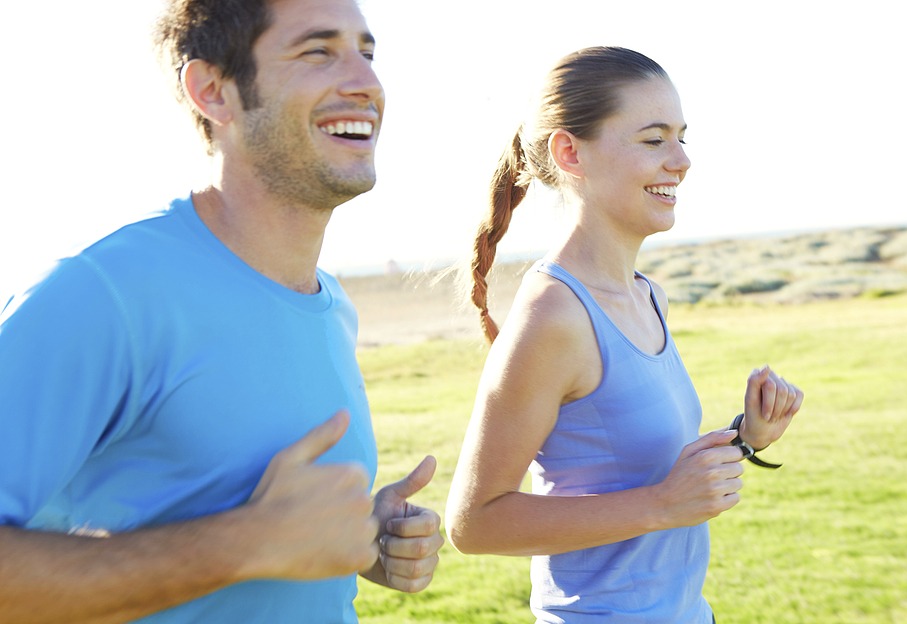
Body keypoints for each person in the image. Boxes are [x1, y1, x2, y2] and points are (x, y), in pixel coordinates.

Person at [0, 0, 444, 622]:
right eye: (318, 51)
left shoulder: (331, 303)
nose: (366, 83)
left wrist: (360, 538)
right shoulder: (105, 293)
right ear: (214, 91)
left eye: (366, 53)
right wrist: (251, 542)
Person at [445, 47, 804, 623]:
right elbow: (473, 522)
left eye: (683, 137)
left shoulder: (646, 295)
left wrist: (745, 438)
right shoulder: (553, 316)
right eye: (653, 139)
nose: (681, 160)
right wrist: (661, 506)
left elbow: (635, 466)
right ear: (570, 152)